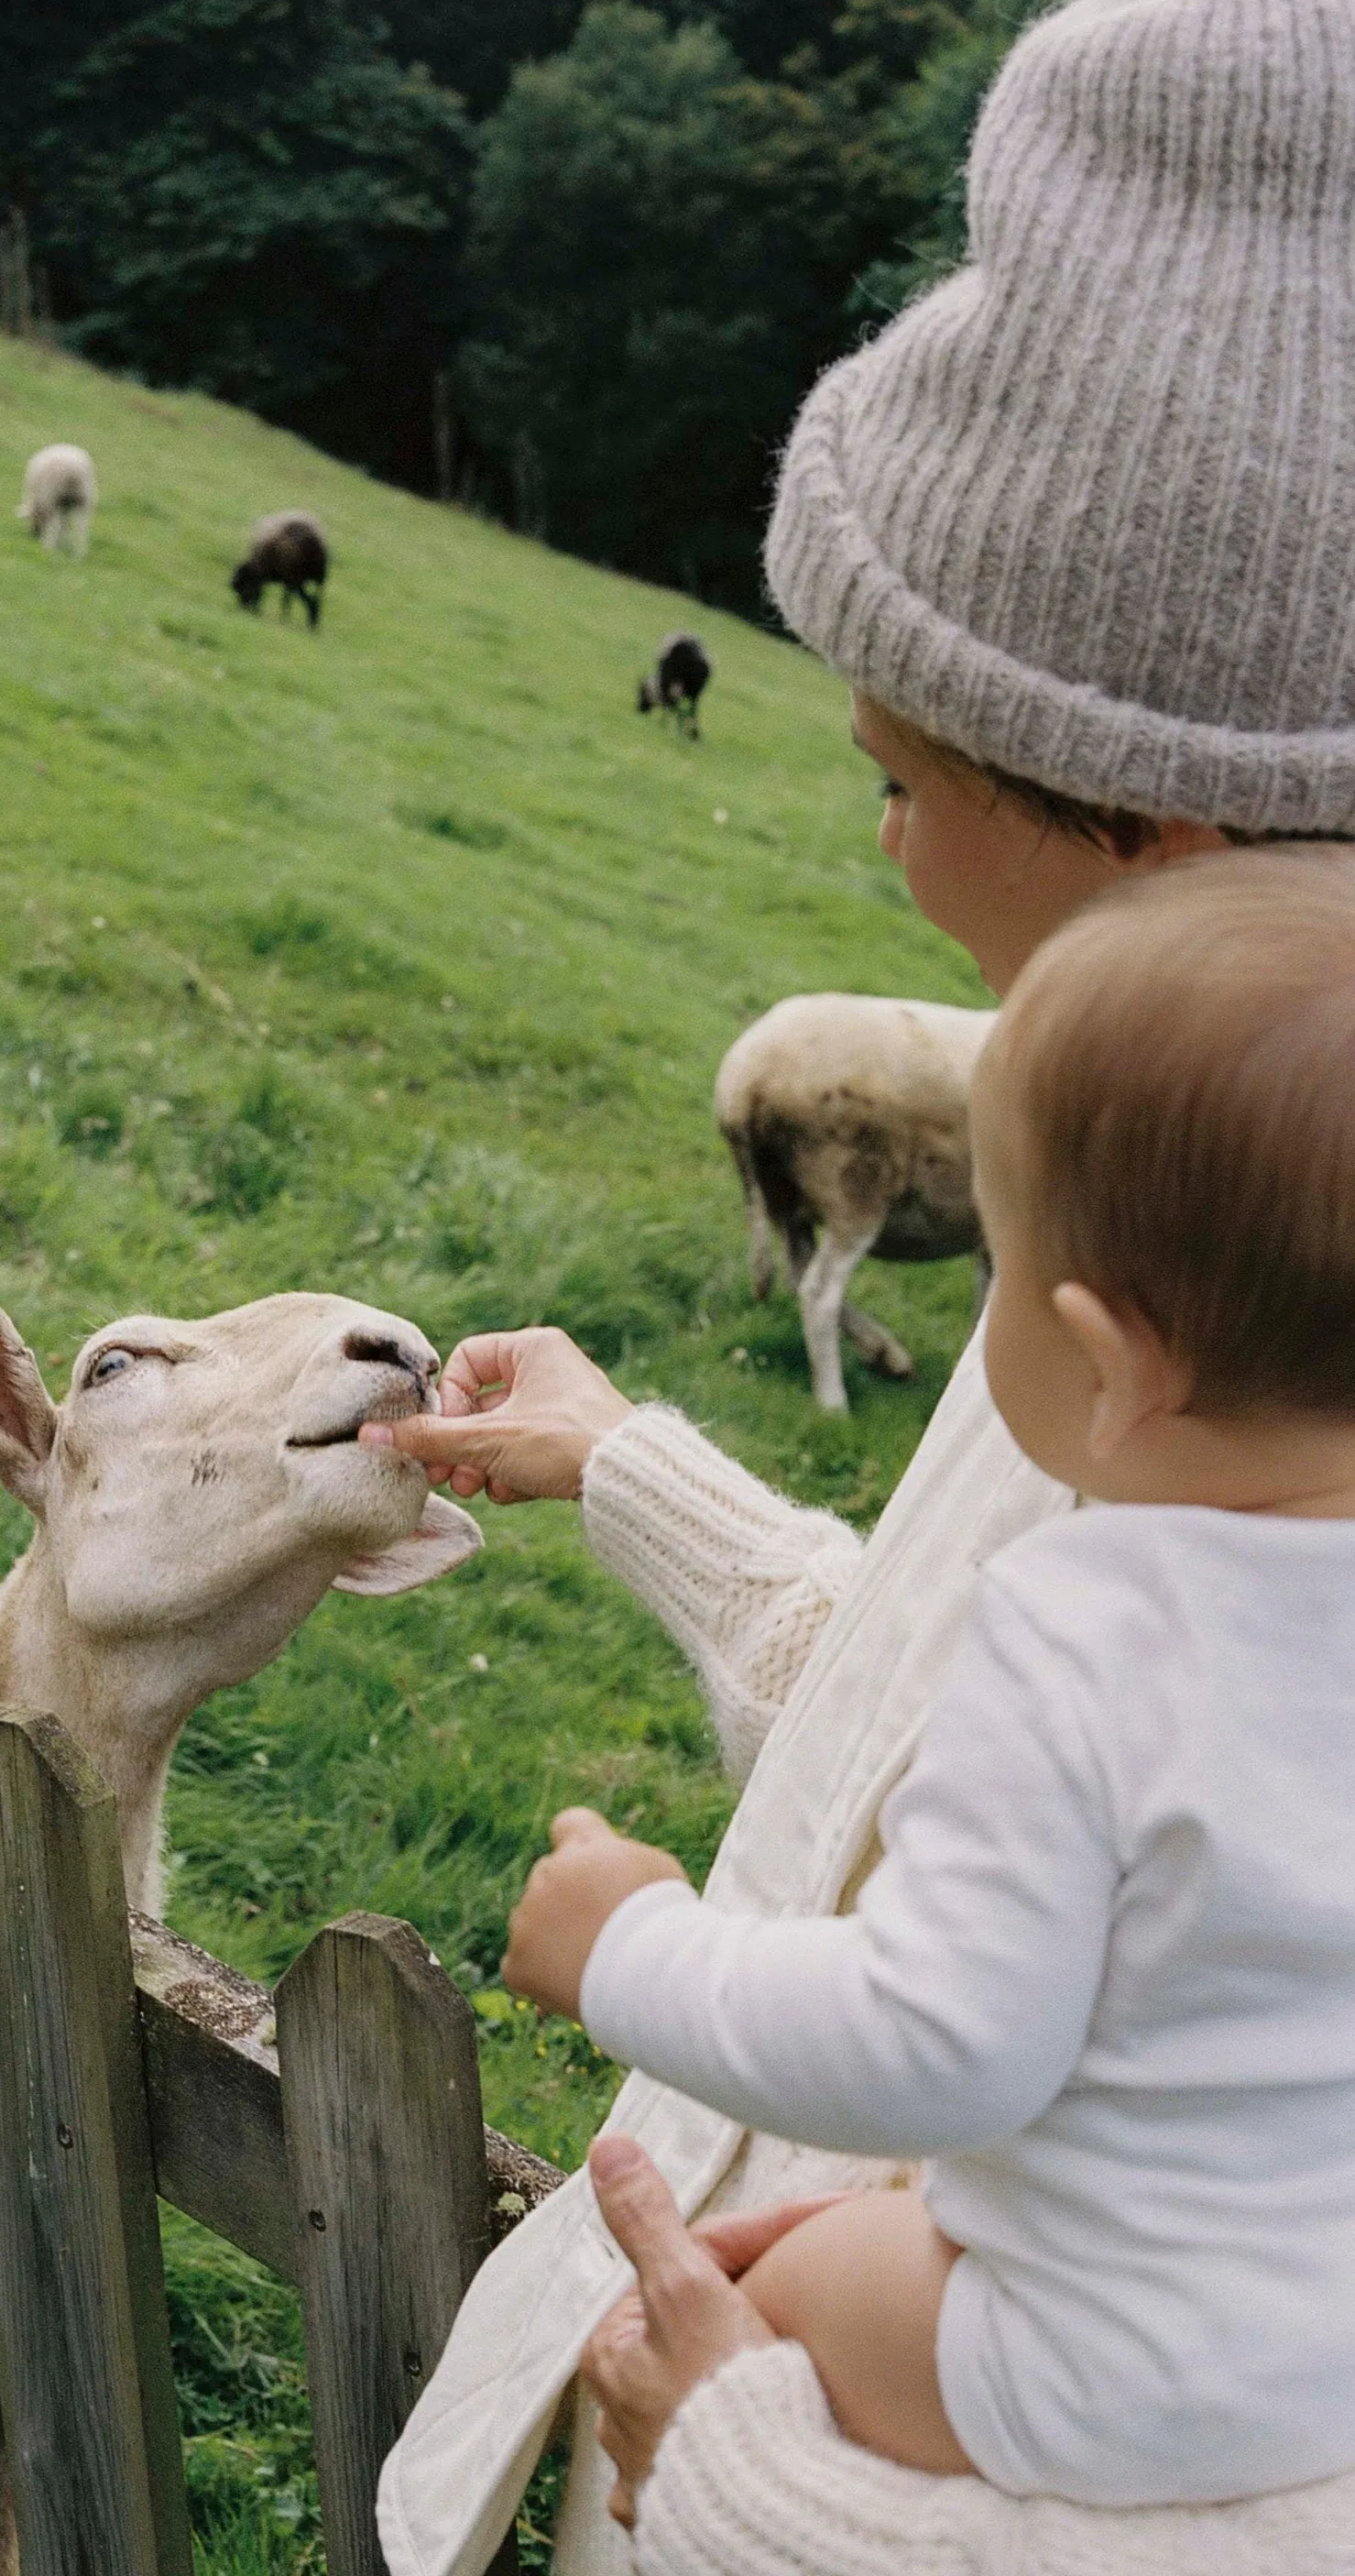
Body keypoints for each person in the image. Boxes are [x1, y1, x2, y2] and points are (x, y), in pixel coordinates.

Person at [372, 0, 1355, 2570]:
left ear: (1140, 829)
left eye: (898, 784)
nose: (879, 853)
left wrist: (740, 2489)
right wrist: (647, 1482)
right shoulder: (1220, 1231)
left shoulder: (1124, 1212)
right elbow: (1019, 1749)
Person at [500, 851, 1355, 2516]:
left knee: (771, 2293)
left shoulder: (1083, 1624)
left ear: (1106, 1368)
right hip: (1317, 2359)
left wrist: (632, 1948)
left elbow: (933, 2045)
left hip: (1092, 2363)